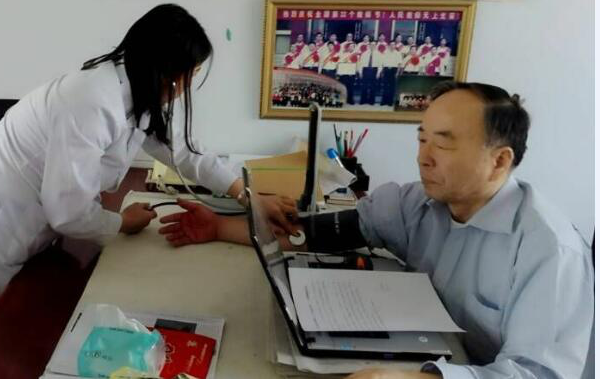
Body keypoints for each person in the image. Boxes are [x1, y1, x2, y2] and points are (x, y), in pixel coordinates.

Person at [159, 81, 594, 379]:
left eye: (443, 143)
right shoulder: (417, 203)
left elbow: (537, 374)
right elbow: (311, 234)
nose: (424, 157)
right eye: (421, 139)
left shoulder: (549, 251)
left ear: (499, 161)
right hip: (425, 349)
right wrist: (219, 226)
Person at [0, 4, 296, 357]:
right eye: (190, 74)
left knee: (7, 328)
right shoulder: (91, 101)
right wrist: (121, 221)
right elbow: (67, 213)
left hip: (31, 221)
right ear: (165, 69)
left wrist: (249, 197)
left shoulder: (138, 89)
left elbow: (185, 152)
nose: (188, 86)